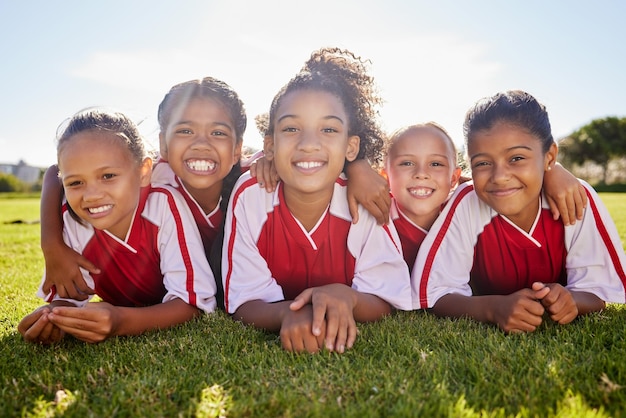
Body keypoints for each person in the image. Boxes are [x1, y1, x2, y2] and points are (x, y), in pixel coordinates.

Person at [222, 47, 412, 354]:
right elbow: (244, 301)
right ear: (270, 145)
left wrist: (347, 298)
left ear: (351, 147)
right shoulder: (251, 195)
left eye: (328, 129)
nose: (309, 144)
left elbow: (388, 298)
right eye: (292, 128)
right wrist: (287, 312)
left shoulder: (365, 199)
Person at [412, 90, 626, 333]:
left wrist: (572, 301)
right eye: (482, 163)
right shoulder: (467, 202)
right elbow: (436, 294)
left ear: (550, 156)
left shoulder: (575, 198)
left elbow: (597, 291)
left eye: (516, 158)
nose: (500, 177)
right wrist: (493, 308)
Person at [39, 77, 247, 306]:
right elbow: (57, 172)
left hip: (211, 290)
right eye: (185, 130)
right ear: (163, 145)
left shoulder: (253, 179)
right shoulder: (151, 175)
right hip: (172, 290)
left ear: (238, 148)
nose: (200, 144)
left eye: (218, 133)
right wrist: (51, 244)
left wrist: (270, 165)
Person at [18, 109, 217, 344]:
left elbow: (193, 304)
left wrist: (121, 321)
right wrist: (55, 317)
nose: (91, 195)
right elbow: (70, 298)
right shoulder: (72, 220)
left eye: (108, 176)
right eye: (76, 182)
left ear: (143, 172)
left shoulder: (163, 205)